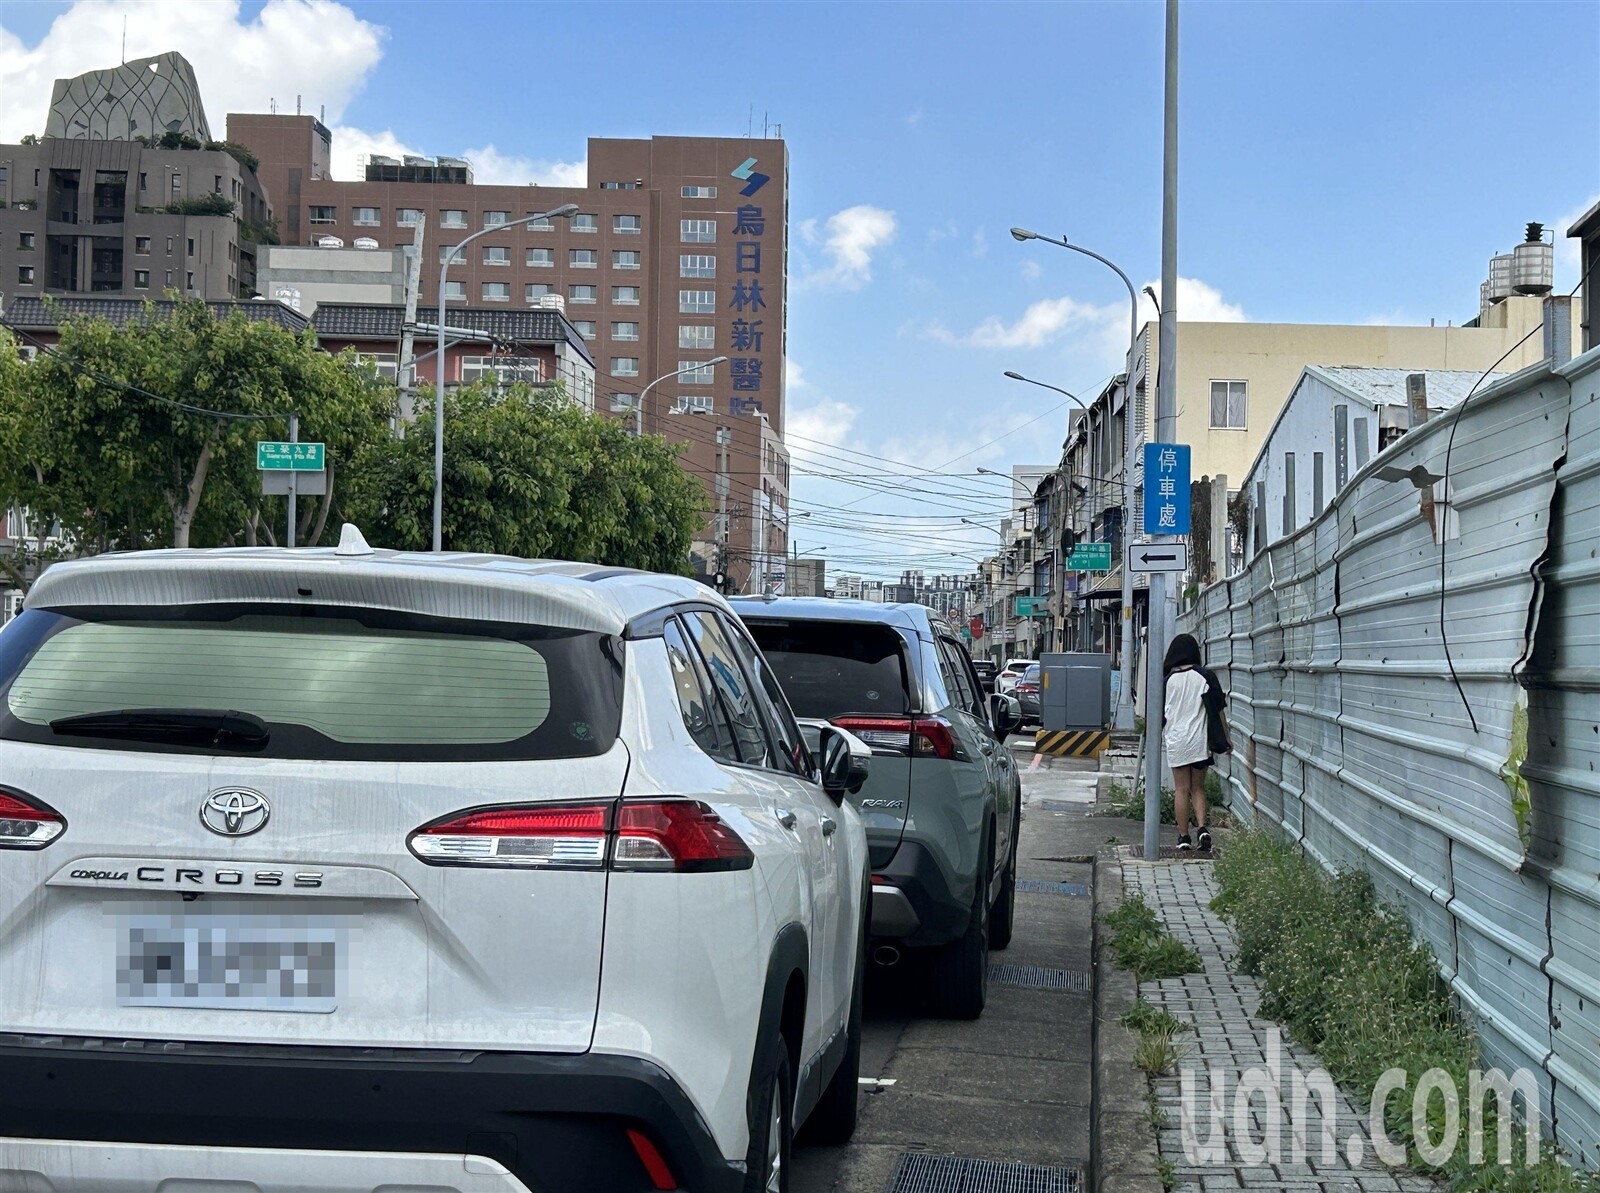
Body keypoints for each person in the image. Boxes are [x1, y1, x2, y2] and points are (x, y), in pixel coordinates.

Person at [1161, 633, 1228, 853]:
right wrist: (1225, 738)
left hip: (1177, 740)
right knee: (1198, 788)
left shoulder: (1167, 680)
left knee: (1181, 789)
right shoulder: (1206, 676)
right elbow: (1218, 710)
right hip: (1200, 740)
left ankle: (1183, 837)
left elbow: (1160, 714)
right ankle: (1202, 829)